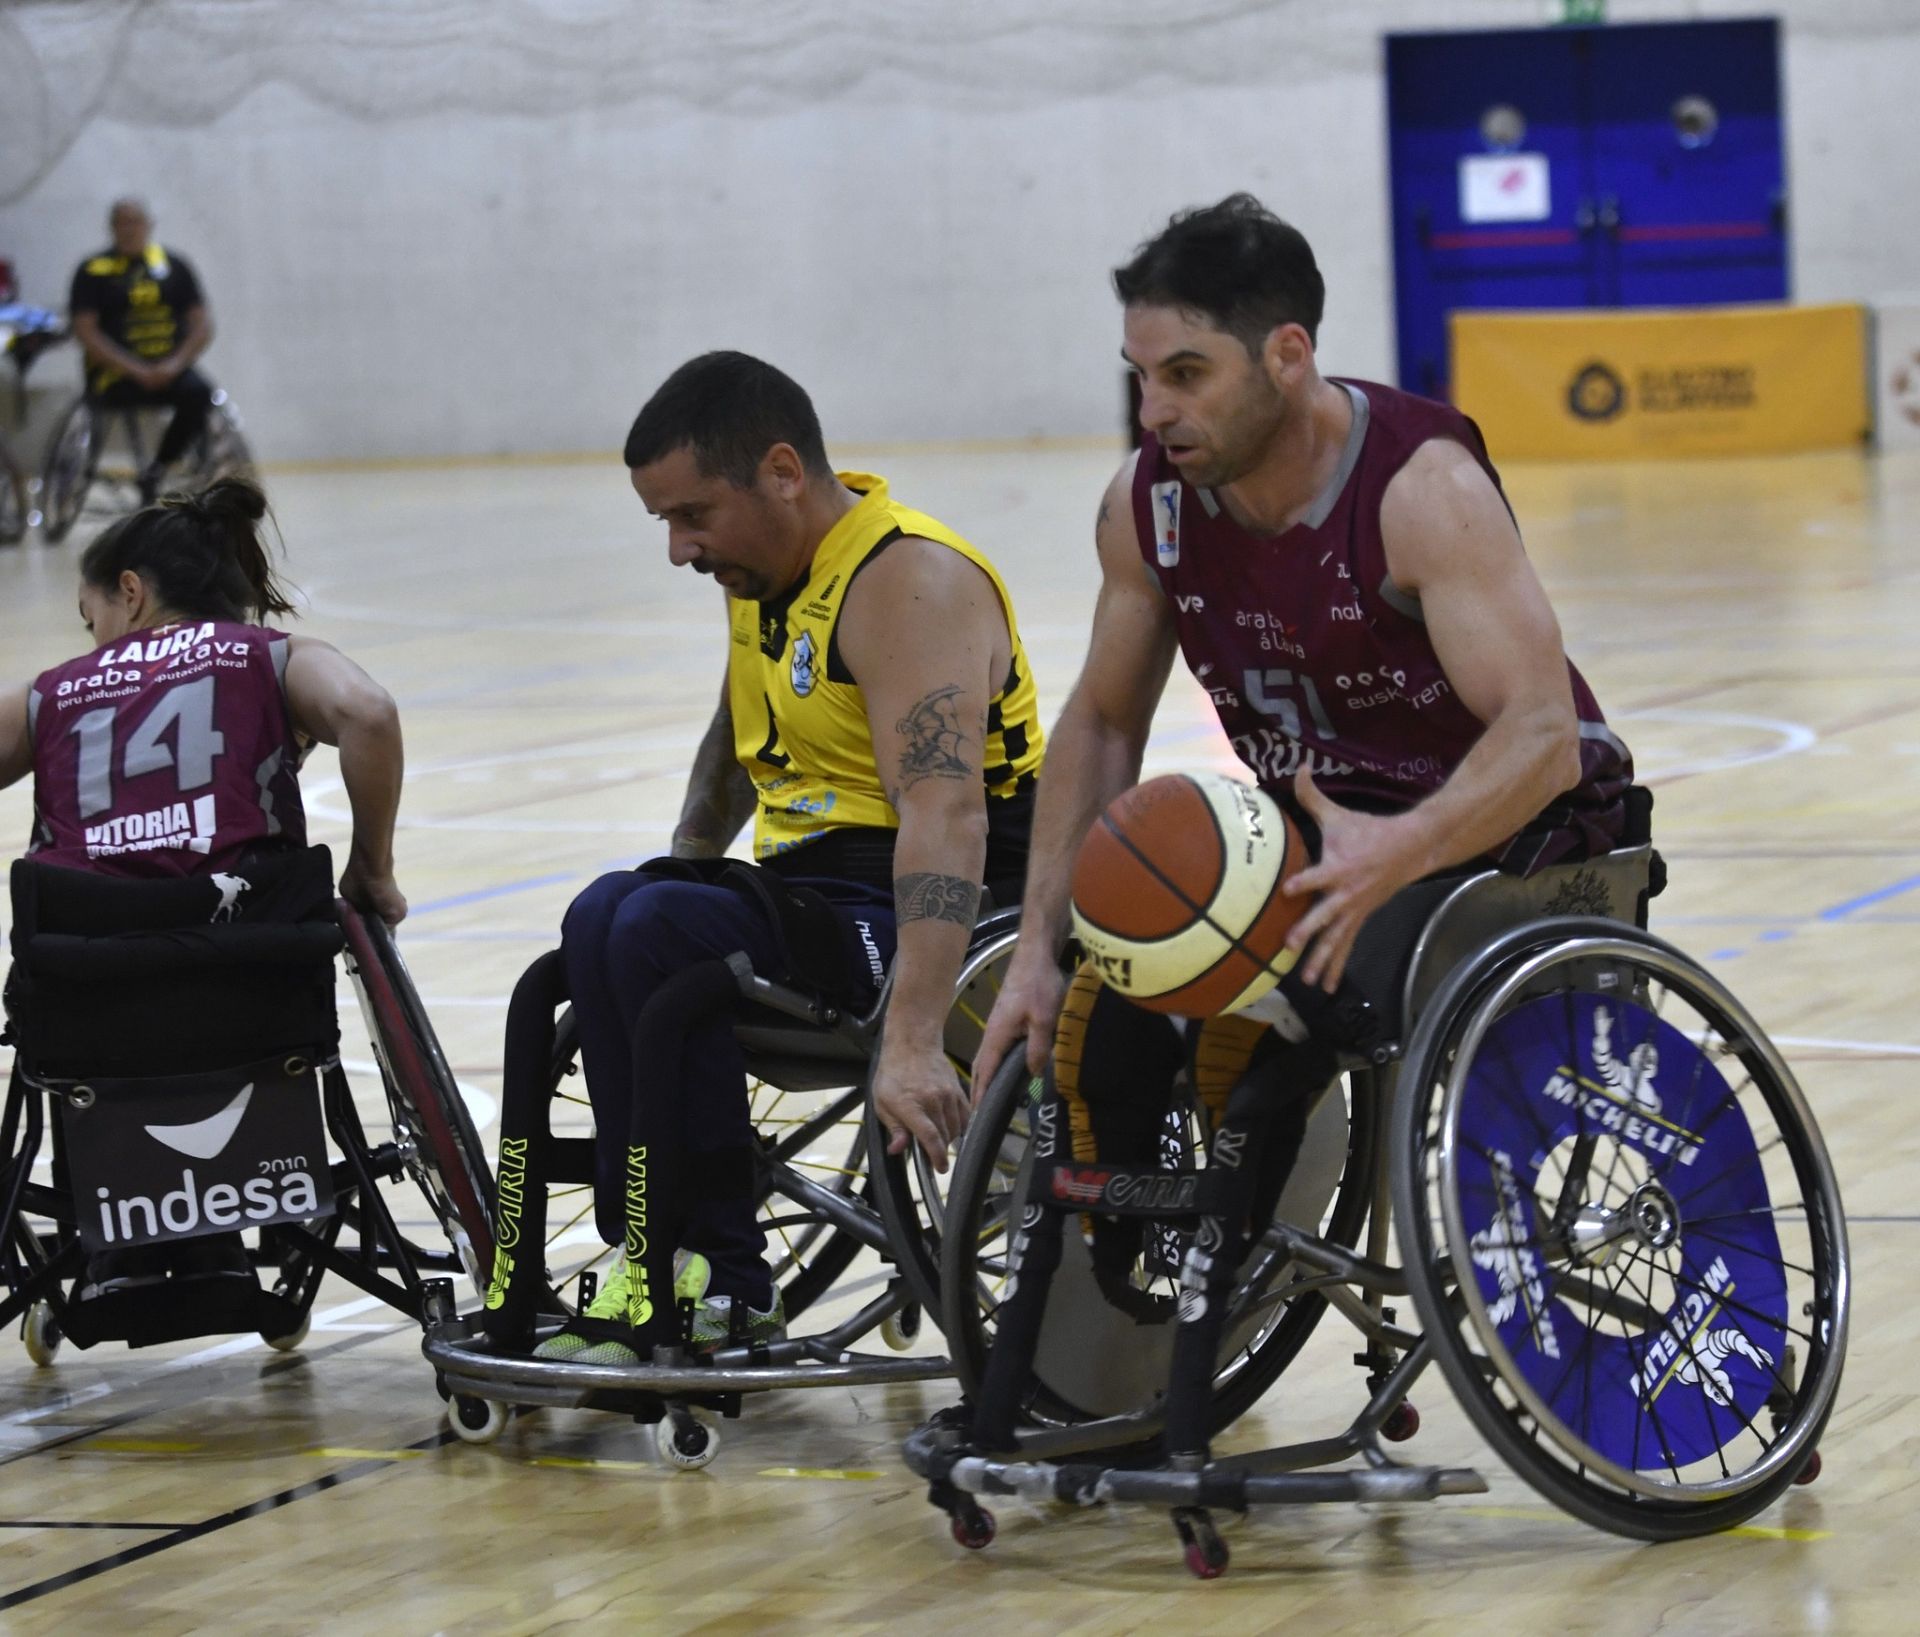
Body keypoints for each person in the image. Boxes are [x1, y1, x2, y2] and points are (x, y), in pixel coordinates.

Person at [972, 193, 1634, 1256]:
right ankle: (1122, 1310)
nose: (1154, 410)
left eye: (1186, 374)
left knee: (1277, 1008)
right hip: (1324, 835)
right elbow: (1099, 724)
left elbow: (1541, 734)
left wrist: (1401, 847)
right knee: (1110, 1002)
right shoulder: (1149, 505)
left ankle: (1234, 1257)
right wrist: (1039, 949)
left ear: (1287, 354)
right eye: (1140, 376)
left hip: (1513, 829)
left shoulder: (1421, 488)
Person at [532, 351, 1044, 1363]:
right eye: (664, 523)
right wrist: (683, 861)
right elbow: (739, 731)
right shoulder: (764, 571)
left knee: (661, 929)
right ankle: (652, 1251)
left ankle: (725, 1278)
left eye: (691, 516)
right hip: (817, 890)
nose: (679, 549)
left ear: (780, 470)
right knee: (606, 910)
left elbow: (947, 819)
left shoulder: (907, 582)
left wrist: (911, 1036)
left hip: (948, 907)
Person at [0, 476, 407, 1297]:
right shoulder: (273, 657)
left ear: (130, 591)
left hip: (89, 1005)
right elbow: (367, 711)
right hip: (257, 992)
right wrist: (373, 868)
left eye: (93, 619)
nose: (96, 640)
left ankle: (115, 1225)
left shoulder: (50, 693)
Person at [68, 199, 218, 504]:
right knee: (111, 398)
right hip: (115, 376)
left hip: (169, 371)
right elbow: (85, 330)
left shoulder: (174, 266)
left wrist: (174, 365)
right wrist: (136, 369)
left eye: (135, 222)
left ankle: (157, 469)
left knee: (199, 392)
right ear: (111, 228)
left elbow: (201, 325)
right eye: (122, 223)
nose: (129, 229)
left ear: (148, 225)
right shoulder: (92, 271)